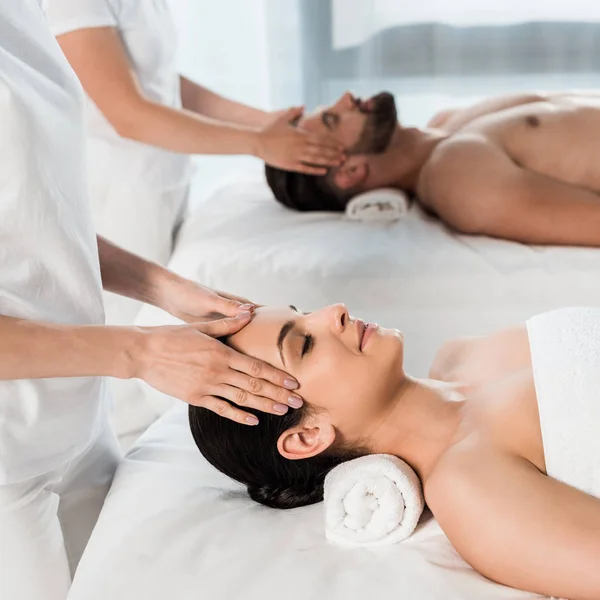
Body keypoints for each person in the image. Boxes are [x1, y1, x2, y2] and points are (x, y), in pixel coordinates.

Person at [0, 3, 303, 599]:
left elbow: (32, 214)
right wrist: (137, 353)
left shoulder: (22, 17)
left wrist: (164, 288)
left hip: (79, 414)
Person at [189, 303, 600, 600]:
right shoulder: (470, 490)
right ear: (307, 436)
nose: (336, 311)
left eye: (304, 311)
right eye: (304, 345)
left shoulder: (462, 356)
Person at [44, 0, 345, 324]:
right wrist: (257, 142)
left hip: (161, 187)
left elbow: (164, 84)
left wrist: (266, 124)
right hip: (119, 199)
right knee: (125, 323)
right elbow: (129, 115)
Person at [266, 90, 600, 248]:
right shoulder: (456, 179)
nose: (346, 97)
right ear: (350, 171)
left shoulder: (447, 123)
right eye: (333, 119)